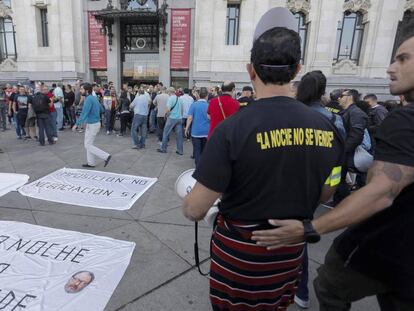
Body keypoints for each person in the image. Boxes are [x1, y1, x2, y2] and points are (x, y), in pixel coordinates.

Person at [182, 7, 344, 311]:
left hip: (239, 259)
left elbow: (194, 208)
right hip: (288, 254)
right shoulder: (328, 128)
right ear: (297, 70)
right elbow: (328, 190)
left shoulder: (232, 129)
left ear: (250, 70)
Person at [251, 19, 414, 311]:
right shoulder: (333, 118)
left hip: (379, 243)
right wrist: (329, 185)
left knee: (327, 284)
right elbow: (337, 162)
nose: (391, 67)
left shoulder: (403, 120)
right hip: (318, 190)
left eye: (403, 59)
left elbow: (382, 192)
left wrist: (310, 227)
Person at [332, 89, 369, 205]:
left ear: (349, 97)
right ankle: (338, 203)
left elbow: (356, 136)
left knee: (339, 180)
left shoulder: (356, 113)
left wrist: (342, 151)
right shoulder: (347, 112)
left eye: (341, 96)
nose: (339, 98)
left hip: (345, 153)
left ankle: (345, 204)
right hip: (342, 151)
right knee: (338, 179)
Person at [72, 83, 111, 168]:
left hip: (93, 125)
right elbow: (101, 109)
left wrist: (76, 124)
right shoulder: (93, 98)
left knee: (88, 145)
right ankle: (91, 163)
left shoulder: (89, 99)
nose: (80, 90)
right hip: (94, 123)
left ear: (87, 90)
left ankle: (105, 156)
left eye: (81, 89)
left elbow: (84, 113)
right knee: (89, 144)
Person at [185, 87, 210, 167]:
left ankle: (198, 167)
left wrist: (186, 128)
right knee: (204, 150)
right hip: (206, 132)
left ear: (199, 95)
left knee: (197, 150)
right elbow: (210, 118)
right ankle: (203, 166)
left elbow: (190, 117)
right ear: (207, 96)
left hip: (196, 132)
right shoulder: (209, 105)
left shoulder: (194, 105)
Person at [157, 87, 184, 155]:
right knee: (179, 135)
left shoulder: (170, 98)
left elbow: (168, 109)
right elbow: (182, 109)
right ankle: (180, 150)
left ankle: (163, 148)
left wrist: (166, 115)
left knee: (165, 133)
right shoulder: (179, 98)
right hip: (179, 118)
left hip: (172, 118)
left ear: (169, 92)